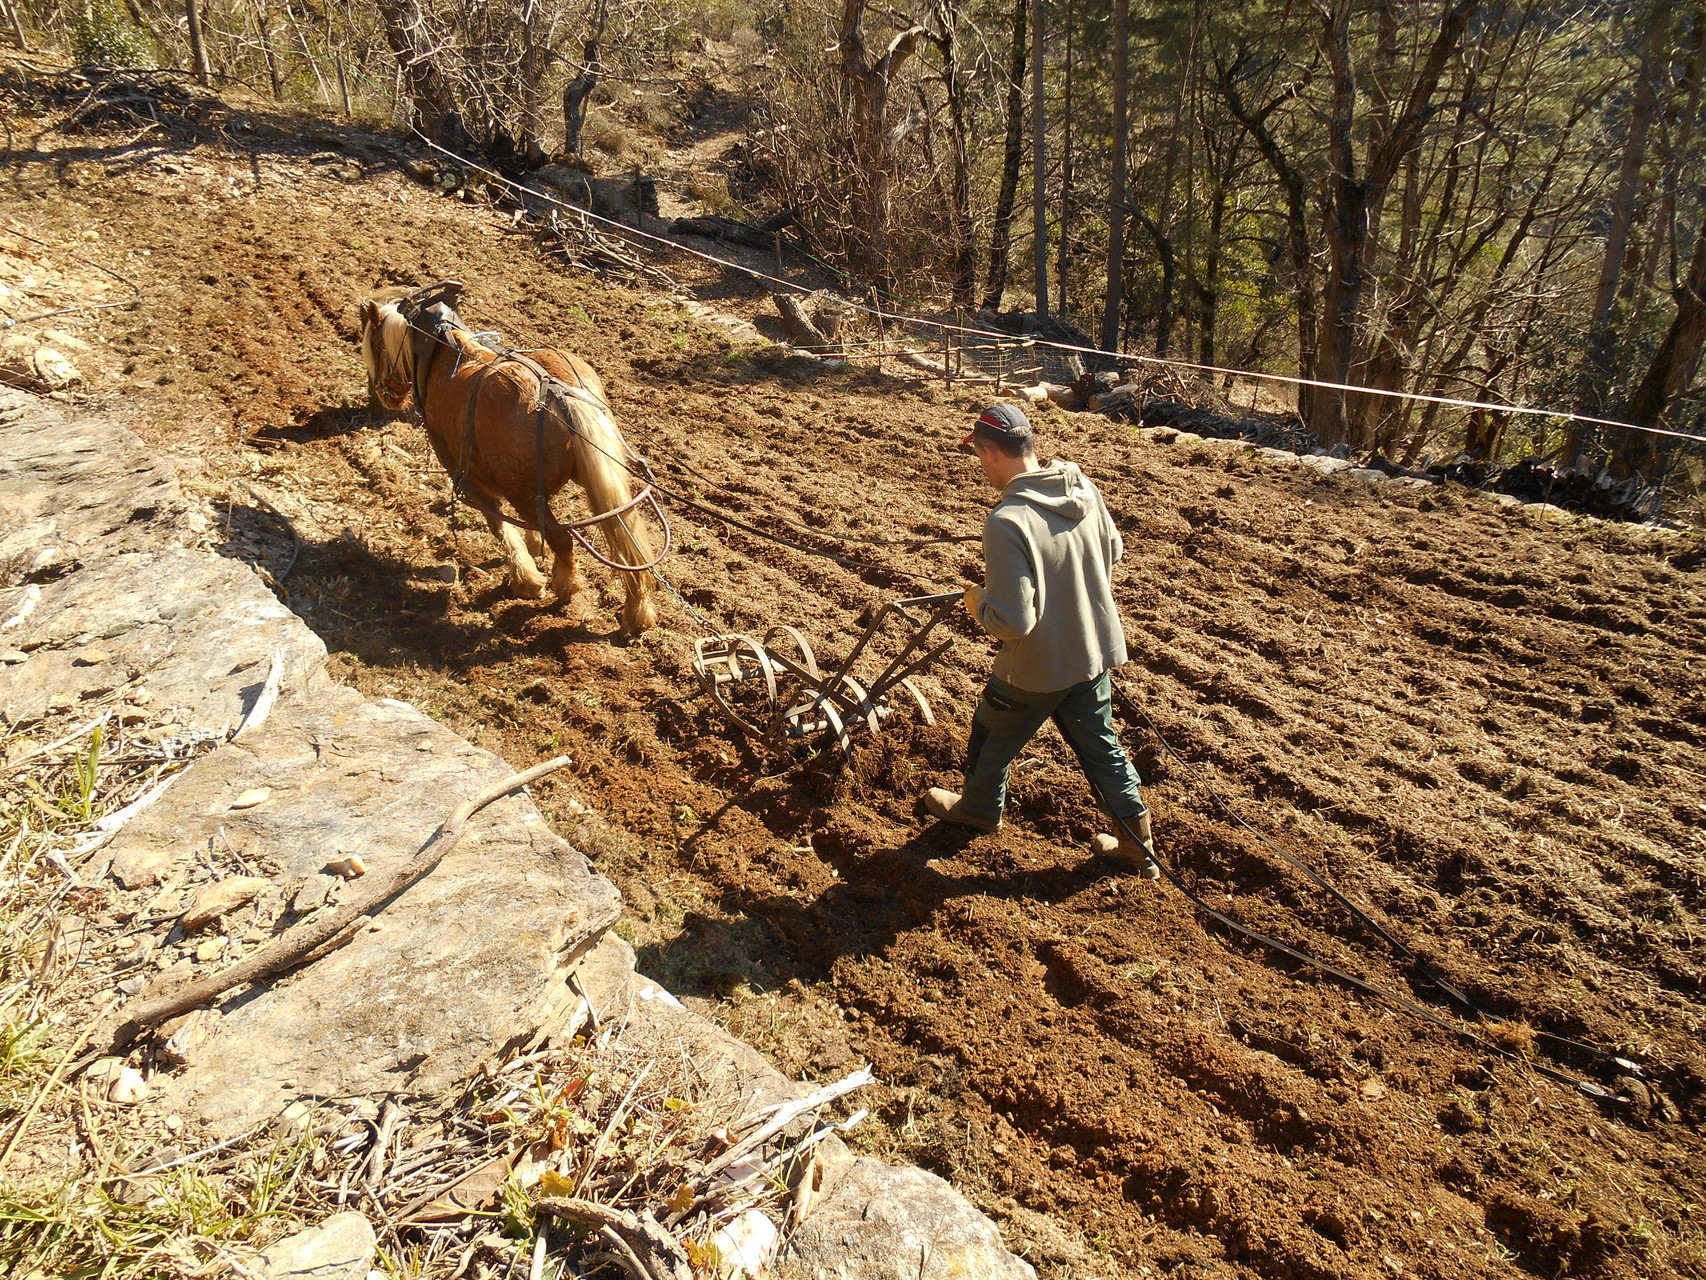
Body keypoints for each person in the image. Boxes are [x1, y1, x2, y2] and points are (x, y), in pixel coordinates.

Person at [920, 402, 1158, 878]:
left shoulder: (1007, 520)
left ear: (989, 452)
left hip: (1037, 669)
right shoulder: (1080, 485)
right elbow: (1114, 549)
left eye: (978, 456)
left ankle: (979, 809)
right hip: (1091, 651)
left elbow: (1013, 622)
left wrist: (976, 600)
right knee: (1101, 746)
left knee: (990, 734)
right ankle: (1138, 846)